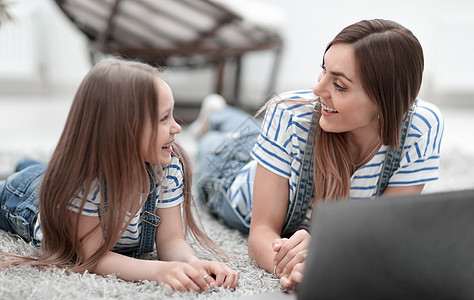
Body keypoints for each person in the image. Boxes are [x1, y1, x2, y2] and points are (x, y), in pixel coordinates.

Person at [193, 19, 444, 290]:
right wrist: (296, 269)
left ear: (385, 100)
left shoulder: (422, 126)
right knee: (215, 144)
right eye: (323, 71)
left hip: (286, 147)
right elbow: (262, 232)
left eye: (339, 85)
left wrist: (328, 257)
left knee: (256, 133)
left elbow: (385, 233)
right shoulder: (288, 113)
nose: (317, 89)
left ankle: (221, 115)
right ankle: (215, 116)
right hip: (231, 174)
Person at [0, 58, 239, 292]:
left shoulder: (167, 169)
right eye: (164, 118)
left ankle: (30, 163)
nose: (177, 127)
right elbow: (92, 258)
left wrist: (192, 264)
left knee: (40, 168)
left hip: (60, 182)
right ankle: (28, 167)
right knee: (31, 177)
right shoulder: (86, 184)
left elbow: (171, 241)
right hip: (27, 200)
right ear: (123, 130)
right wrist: (158, 271)